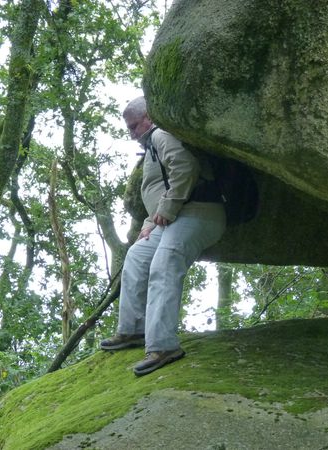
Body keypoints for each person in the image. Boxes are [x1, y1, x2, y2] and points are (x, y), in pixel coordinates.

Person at [100, 96, 226, 376]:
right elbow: (162, 190)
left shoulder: (161, 134)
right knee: (137, 255)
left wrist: (166, 211)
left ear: (149, 117)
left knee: (165, 262)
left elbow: (185, 169)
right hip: (175, 218)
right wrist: (149, 222)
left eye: (134, 126)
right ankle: (133, 330)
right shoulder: (152, 147)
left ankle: (163, 345)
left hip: (199, 213)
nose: (132, 134)